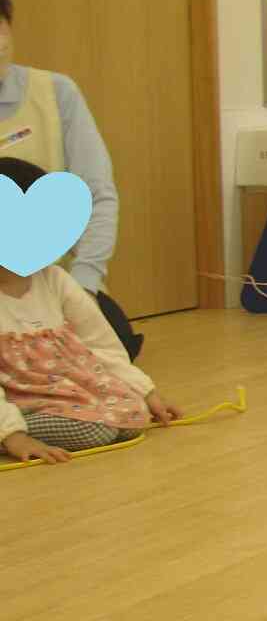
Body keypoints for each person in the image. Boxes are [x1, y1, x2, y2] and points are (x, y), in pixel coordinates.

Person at [0, 158, 179, 464]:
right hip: (17, 402)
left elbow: (101, 343)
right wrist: (12, 435)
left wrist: (146, 391)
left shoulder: (54, 279)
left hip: (64, 392)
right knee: (94, 431)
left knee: (130, 414)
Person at [0, 0, 140, 360]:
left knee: (111, 347)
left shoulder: (56, 92)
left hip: (50, 284)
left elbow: (97, 195)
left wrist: (84, 286)